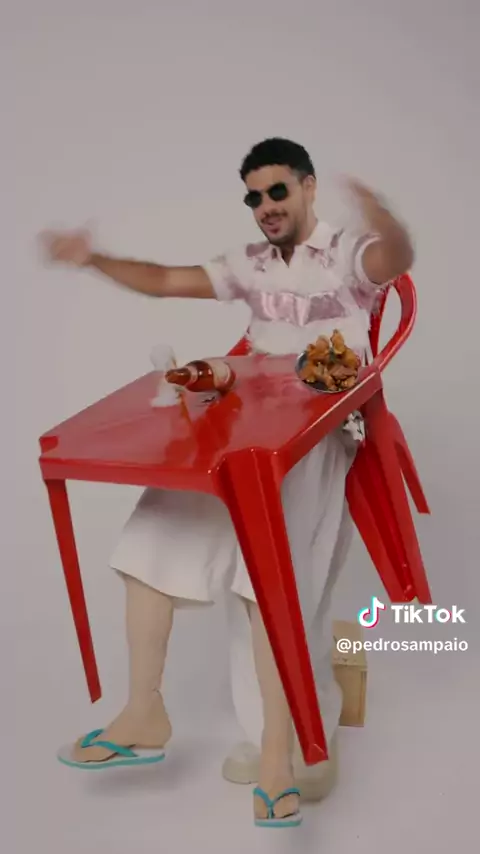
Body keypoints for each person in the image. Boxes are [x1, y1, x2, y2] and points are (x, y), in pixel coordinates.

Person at [40, 138, 414, 828]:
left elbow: (393, 261)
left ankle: (277, 758)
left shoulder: (345, 252)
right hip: (247, 421)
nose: (265, 206)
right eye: (253, 196)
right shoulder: (249, 263)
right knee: (152, 540)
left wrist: (385, 218)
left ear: (307, 187)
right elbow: (164, 280)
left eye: (277, 191)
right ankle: (143, 713)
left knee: (266, 576)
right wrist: (92, 258)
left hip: (317, 429)